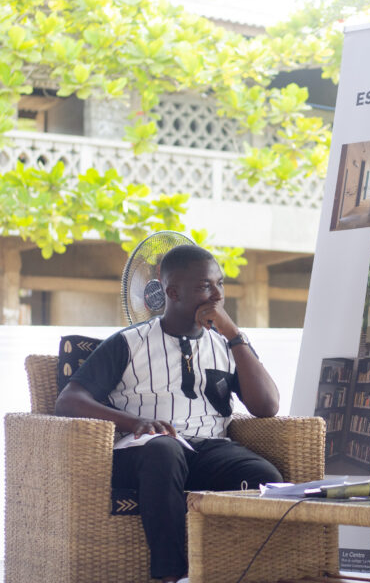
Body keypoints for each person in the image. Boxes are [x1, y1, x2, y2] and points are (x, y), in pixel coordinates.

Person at [55, 245, 283, 583]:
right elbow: (68, 401)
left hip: (208, 451)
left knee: (266, 479)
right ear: (172, 292)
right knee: (165, 449)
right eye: (206, 286)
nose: (217, 295)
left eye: (220, 284)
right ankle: (173, 576)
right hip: (145, 453)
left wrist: (235, 336)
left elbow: (267, 407)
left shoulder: (225, 344)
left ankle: (235, 573)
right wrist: (135, 423)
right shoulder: (129, 343)